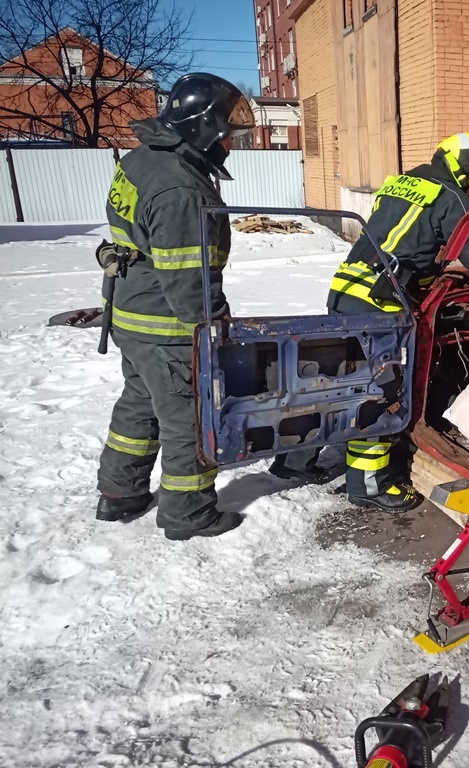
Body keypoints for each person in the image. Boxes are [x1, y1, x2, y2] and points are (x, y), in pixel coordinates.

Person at [270, 132, 469, 511]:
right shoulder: (449, 196)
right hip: (380, 302)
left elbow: (405, 240)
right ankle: (369, 487)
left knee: (334, 382)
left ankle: (293, 462)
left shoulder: (401, 183)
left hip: (346, 290)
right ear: (466, 167)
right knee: (379, 392)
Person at [95, 73, 255, 540]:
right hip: (166, 325)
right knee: (189, 416)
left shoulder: (144, 160)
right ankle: (188, 512)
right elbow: (191, 285)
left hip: (130, 311)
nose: (228, 144)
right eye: (225, 134)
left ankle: (119, 494)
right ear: (203, 128)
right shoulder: (181, 190)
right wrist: (216, 330)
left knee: (139, 405)